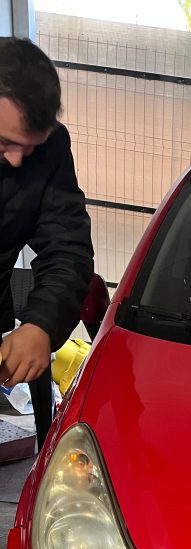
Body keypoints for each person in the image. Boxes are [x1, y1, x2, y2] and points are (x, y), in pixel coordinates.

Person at [0, 35, 93, 389]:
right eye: (5, 143)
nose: (16, 160)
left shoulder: (50, 150)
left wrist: (40, 324)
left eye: (29, 148)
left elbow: (67, 247)